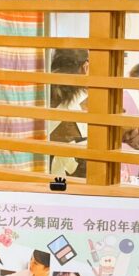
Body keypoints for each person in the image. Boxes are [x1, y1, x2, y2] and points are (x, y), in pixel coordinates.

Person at [48, 48, 89, 178]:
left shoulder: (39, 97)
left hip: (41, 179)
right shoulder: (94, 102)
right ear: (85, 68)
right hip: (79, 182)